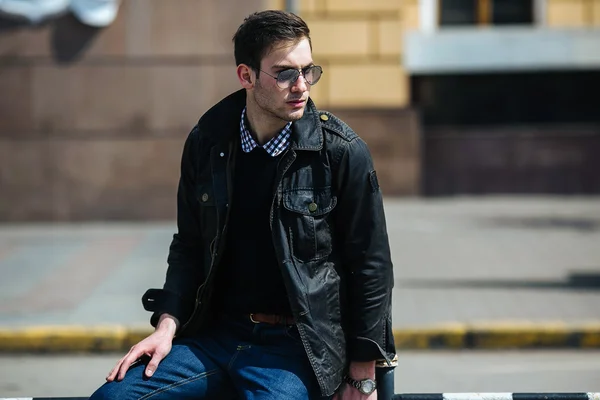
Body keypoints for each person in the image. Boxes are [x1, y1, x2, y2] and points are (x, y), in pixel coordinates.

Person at [90, 9, 395, 400]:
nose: (301, 85)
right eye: (285, 73)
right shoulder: (208, 142)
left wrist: (362, 370)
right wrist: (167, 326)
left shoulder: (340, 152)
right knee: (112, 398)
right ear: (246, 76)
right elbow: (190, 245)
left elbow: (371, 264)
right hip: (215, 338)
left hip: (297, 347)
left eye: (309, 71)